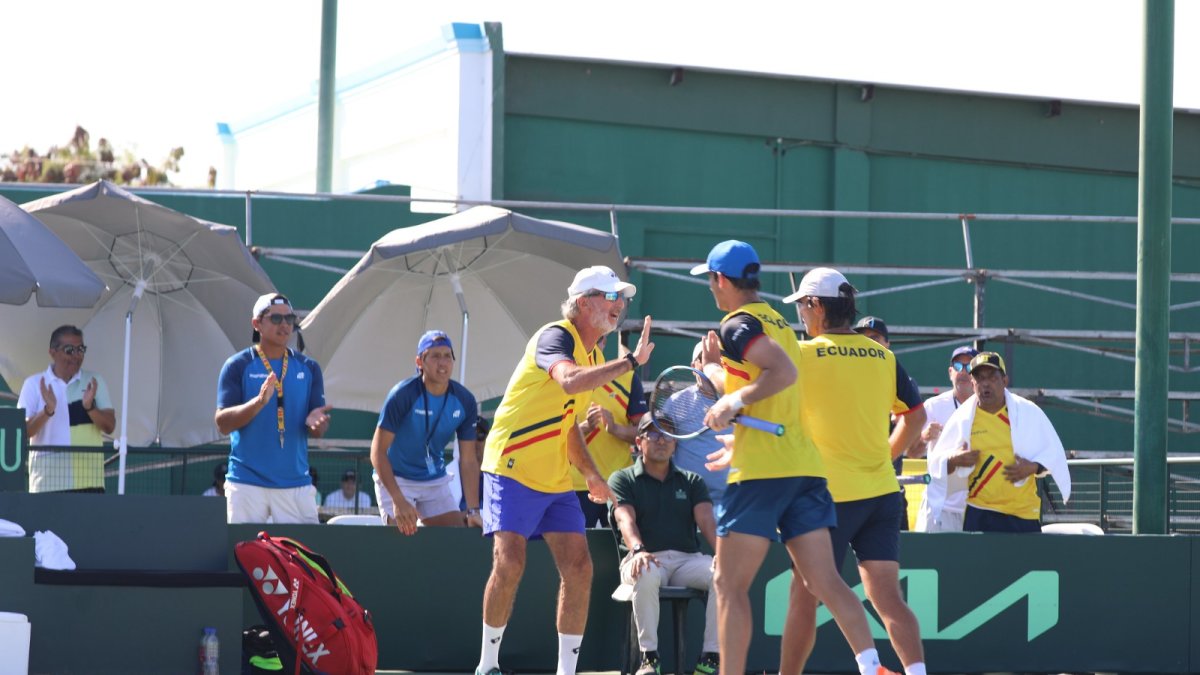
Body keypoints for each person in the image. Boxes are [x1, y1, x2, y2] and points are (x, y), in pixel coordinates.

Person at [687, 242, 882, 675]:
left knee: (727, 583)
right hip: (804, 469)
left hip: (762, 473)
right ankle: (873, 667)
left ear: (720, 280)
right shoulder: (777, 321)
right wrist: (718, 376)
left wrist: (731, 401)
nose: (711, 288)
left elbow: (783, 373)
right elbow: (772, 386)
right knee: (824, 581)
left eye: (711, 280)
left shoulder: (737, 324)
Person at [475, 265, 652, 675]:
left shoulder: (596, 355)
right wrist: (630, 363)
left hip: (555, 477)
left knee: (579, 567)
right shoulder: (554, 336)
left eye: (622, 298)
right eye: (611, 296)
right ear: (584, 303)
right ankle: (487, 666)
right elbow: (570, 382)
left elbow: (568, 423)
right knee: (510, 562)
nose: (619, 304)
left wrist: (591, 473)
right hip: (511, 465)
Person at [781, 268, 927, 675]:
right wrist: (885, 456)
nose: (801, 315)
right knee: (888, 598)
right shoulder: (884, 356)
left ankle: (862, 667)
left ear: (816, 306)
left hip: (829, 498)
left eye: (802, 306)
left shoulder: (802, 354)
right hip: (882, 493)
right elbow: (916, 418)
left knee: (804, 596)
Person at [609, 415, 719, 675]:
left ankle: (710, 658)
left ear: (676, 443)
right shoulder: (621, 479)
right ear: (639, 442)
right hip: (642, 559)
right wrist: (638, 551)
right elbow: (625, 519)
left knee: (723, 575)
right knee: (645, 570)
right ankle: (649, 658)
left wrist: (722, 554)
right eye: (654, 434)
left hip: (687, 561)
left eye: (668, 435)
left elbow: (706, 520)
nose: (662, 440)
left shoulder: (692, 481)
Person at [215, 293, 332, 524]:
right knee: (244, 547)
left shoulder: (309, 368)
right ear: (257, 323)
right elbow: (222, 424)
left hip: (295, 483)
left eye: (290, 319)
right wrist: (258, 402)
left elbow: (317, 428)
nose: (285, 325)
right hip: (246, 483)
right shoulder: (237, 365)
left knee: (302, 549)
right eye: (276, 318)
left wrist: (318, 424)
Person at [927, 352, 1072, 533]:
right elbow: (937, 466)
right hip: (979, 513)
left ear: (1004, 381)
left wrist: (1033, 467)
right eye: (979, 378)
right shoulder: (961, 419)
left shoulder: (1028, 413)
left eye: (992, 377)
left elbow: (1053, 455)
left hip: (1023, 514)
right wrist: (954, 460)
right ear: (972, 384)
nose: (985, 384)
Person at [370, 330, 480, 532]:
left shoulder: (465, 400)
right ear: (420, 362)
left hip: (433, 479)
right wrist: (398, 500)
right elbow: (377, 452)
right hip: (396, 478)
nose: (443, 363)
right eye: (435, 356)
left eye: (447, 356)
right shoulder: (402, 394)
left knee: (456, 535)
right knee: (401, 536)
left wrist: (473, 511)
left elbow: (469, 460)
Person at [18, 325, 116, 493]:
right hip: (46, 482)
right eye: (69, 350)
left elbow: (109, 426)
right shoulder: (33, 384)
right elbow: (23, 432)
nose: (76, 355)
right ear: (52, 352)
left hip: (89, 481)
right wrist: (47, 411)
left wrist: (90, 408)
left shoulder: (94, 380)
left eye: (81, 349)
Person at [852, 315, 919, 531]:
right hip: (849, 486)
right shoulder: (847, 376)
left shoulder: (900, 379)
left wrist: (900, 424)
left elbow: (914, 435)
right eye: (863, 338)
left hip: (888, 486)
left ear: (887, 343)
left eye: (875, 338)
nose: (869, 343)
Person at [573, 334, 646, 527]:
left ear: (604, 342)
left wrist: (615, 429)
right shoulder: (567, 379)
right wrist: (585, 427)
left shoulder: (628, 379)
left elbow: (644, 435)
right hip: (575, 485)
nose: (591, 344)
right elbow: (553, 437)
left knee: (623, 543)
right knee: (578, 545)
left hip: (618, 483)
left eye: (598, 338)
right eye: (584, 338)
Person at [912, 346, 977, 532]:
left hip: (975, 508)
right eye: (958, 366)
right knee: (929, 552)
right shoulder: (933, 406)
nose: (963, 372)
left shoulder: (988, 408)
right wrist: (924, 437)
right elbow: (913, 452)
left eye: (969, 366)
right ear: (950, 372)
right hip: (938, 505)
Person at [660, 340, 730, 510]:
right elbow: (662, 442)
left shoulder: (737, 400)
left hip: (733, 498)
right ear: (693, 366)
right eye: (704, 358)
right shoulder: (676, 402)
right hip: (688, 499)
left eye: (719, 358)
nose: (712, 363)